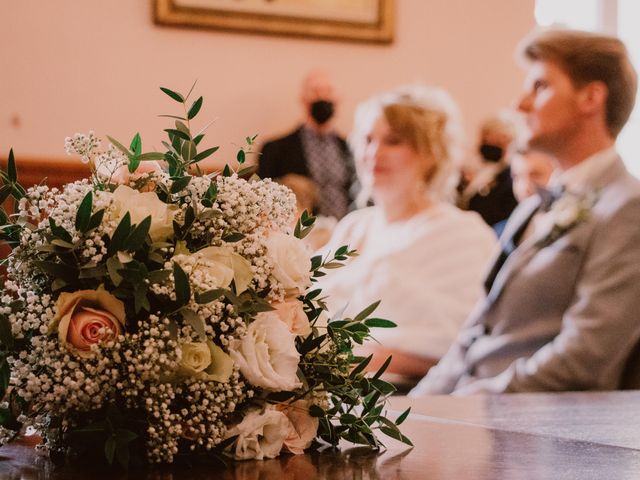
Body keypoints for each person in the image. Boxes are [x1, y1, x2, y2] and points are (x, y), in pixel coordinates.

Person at [411, 28, 640, 396]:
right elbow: (475, 331)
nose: (520, 104)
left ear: (592, 97)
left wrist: (472, 402)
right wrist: (416, 411)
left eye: (540, 87)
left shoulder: (627, 207)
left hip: (528, 427)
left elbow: (586, 358)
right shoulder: (534, 204)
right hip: (463, 409)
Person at [317, 85, 496, 386]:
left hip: (398, 396)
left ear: (428, 153)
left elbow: (456, 343)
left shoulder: (461, 233)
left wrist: (338, 362)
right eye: (367, 139)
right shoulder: (354, 226)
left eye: (393, 142)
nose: (373, 153)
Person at [258, 70, 355, 220]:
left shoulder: (352, 149)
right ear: (303, 99)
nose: (322, 97)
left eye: (328, 91)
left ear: (338, 99)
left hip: (345, 230)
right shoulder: (275, 150)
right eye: (316, 91)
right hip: (301, 233)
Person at [458, 114, 519, 232]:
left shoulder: (508, 178)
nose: (493, 143)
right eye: (489, 138)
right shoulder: (466, 169)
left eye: (500, 140)